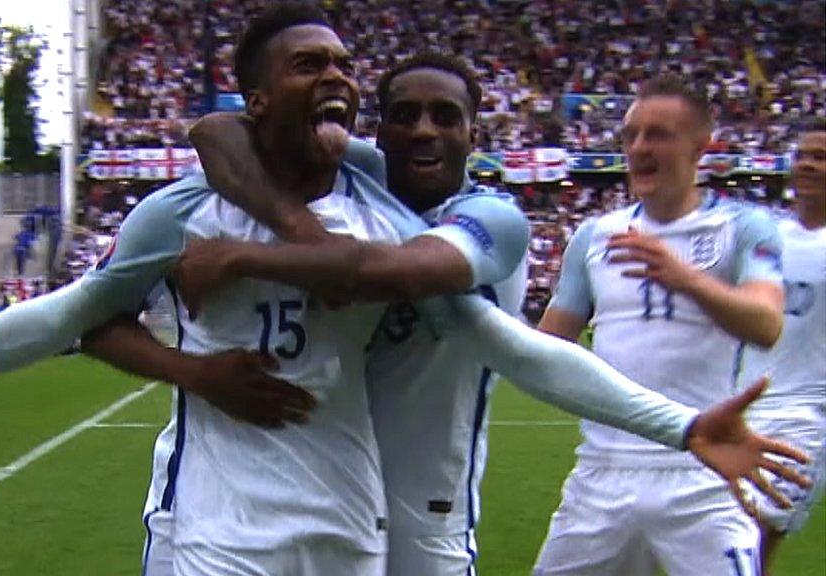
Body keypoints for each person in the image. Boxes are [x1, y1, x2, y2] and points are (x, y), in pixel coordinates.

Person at [0, 9, 807, 576]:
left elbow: (512, 343)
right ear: (271, 100)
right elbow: (71, 313)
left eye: (341, 63)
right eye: (311, 66)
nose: (339, 78)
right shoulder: (187, 206)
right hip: (213, 526)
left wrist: (680, 429)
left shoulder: (436, 222)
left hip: (360, 522)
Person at [86, 54, 806, 576]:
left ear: (474, 134)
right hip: (303, 503)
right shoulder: (358, 189)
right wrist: (206, 361)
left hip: (428, 511)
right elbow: (220, 131)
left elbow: (507, 343)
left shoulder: (489, 216)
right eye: (404, 117)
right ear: (378, 136)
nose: (425, 131)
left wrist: (245, 257)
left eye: (446, 117)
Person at [532, 76, 788, 575]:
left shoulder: (744, 228)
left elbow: (766, 323)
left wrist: (685, 278)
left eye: (659, 135)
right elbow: (544, 350)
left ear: (701, 145)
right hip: (602, 476)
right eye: (631, 135)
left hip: (702, 471)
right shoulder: (595, 237)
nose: (640, 148)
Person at [739, 118, 826, 574]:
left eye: (821, 157)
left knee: (752, 540)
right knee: (724, 541)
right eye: (803, 156)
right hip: (743, 406)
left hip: (805, 414)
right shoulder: (768, 237)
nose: (809, 165)